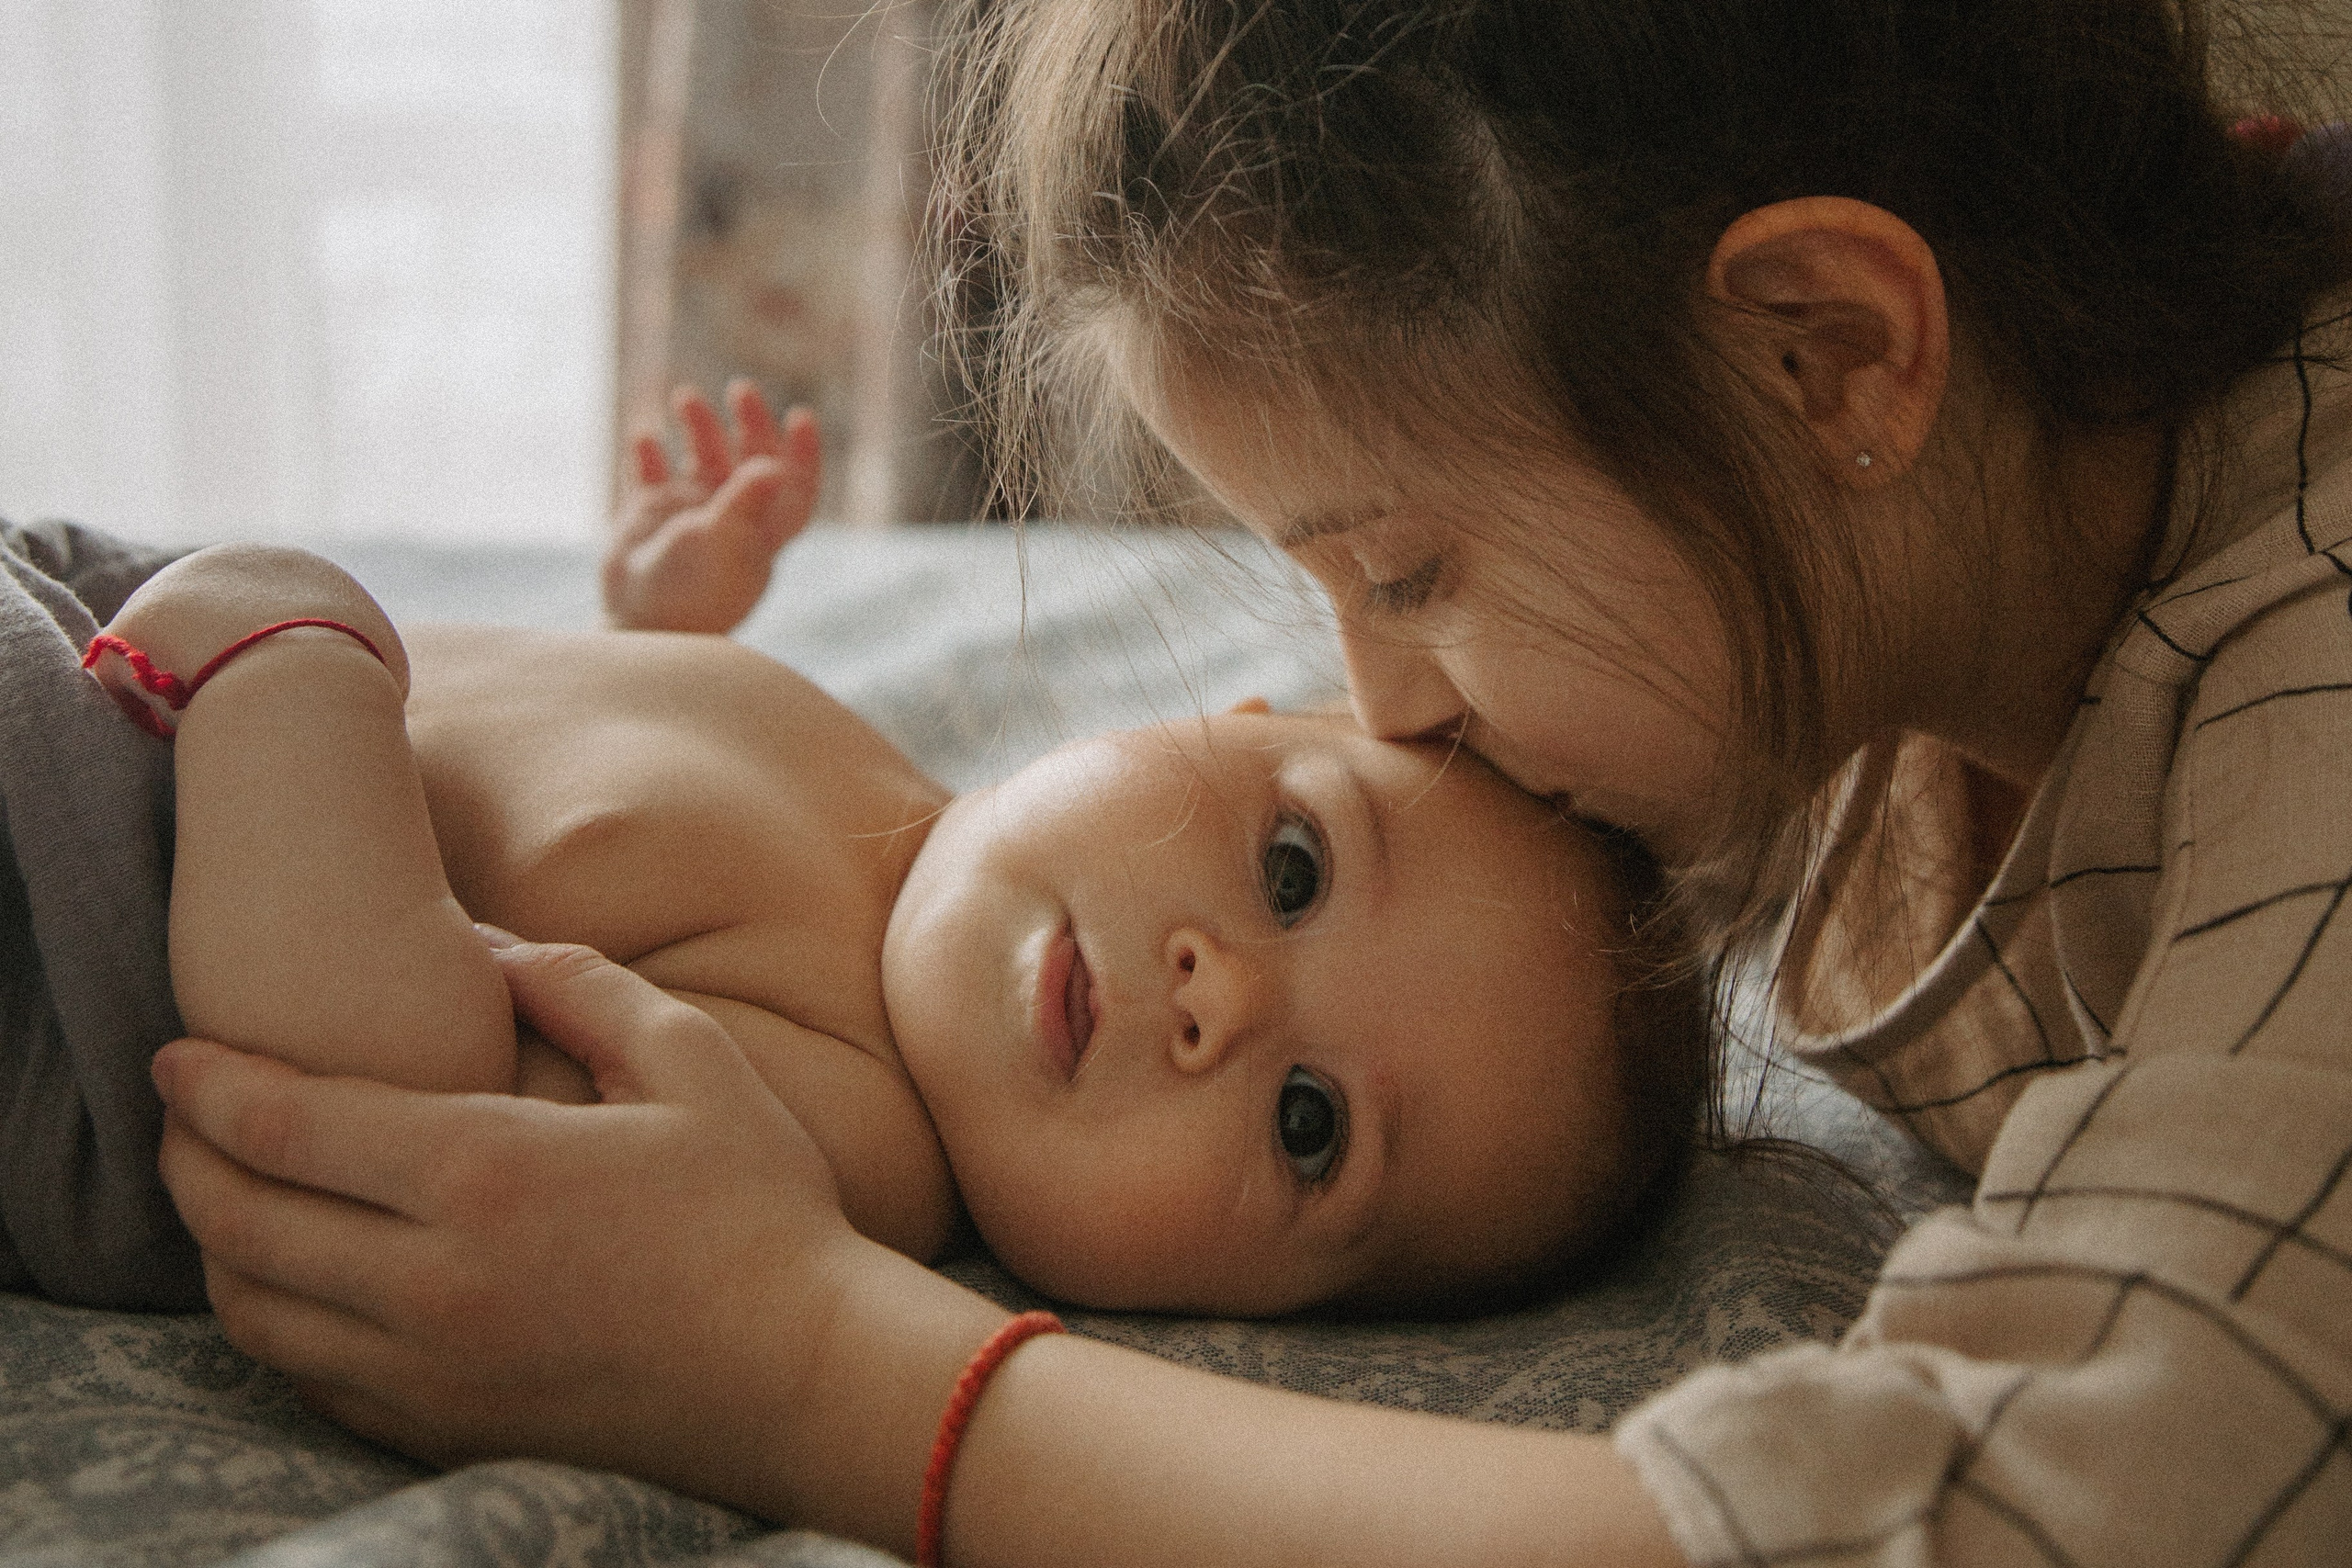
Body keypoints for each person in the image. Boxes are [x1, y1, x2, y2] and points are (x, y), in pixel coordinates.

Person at [151, 2, 2352, 1563]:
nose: (1379, 702)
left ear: (1829, 353)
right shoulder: (1999, 482)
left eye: (1407, 569)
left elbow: (2042, 1512)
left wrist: (799, 1357)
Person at [88, 381, 1697, 1320]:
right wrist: (649, 636)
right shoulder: (887, 804)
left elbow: (371, 1110)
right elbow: (555, 844)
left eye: (1308, 1126)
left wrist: (288, 664)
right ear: (1238, 716)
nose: (1223, 997)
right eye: (1294, 871)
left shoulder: (841, 1141)